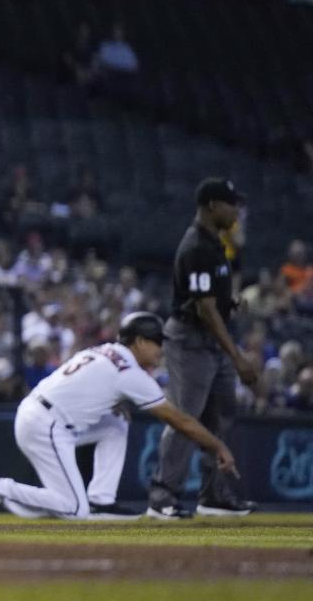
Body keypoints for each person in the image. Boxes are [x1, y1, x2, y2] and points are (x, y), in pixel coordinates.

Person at [0, 312, 241, 521]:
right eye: (157, 342)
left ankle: (102, 499)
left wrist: (114, 401)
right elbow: (179, 420)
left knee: (116, 423)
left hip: (42, 416)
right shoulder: (129, 372)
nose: (162, 350)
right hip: (47, 425)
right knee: (75, 508)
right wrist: (217, 445)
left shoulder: (103, 351)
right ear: (139, 341)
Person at [147, 178, 258, 519]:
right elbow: (203, 309)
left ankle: (214, 495)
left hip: (210, 338)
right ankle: (162, 495)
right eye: (230, 204)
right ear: (212, 205)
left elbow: (212, 302)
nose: (236, 210)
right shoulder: (197, 245)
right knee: (185, 416)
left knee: (221, 414)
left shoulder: (215, 243)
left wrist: (230, 302)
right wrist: (238, 356)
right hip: (191, 340)